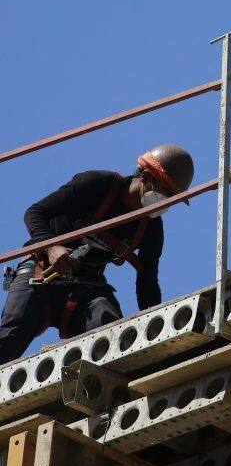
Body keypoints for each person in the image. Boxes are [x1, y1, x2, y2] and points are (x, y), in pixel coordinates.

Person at [0, 144, 194, 365]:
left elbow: (147, 284)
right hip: (41, 274)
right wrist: (51, 247)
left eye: (173, 198)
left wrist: (159, 332)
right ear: (147, 177)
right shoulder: (98, 185)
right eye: (165, 192)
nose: (167, 202)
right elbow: (34, 213)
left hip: (85, 287)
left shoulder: (150, 228)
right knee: (10, 339)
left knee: (110, 329)